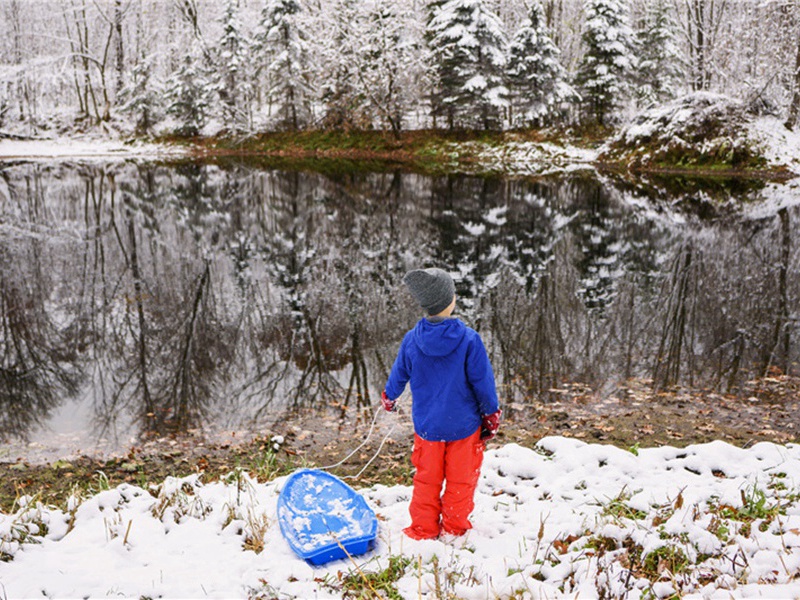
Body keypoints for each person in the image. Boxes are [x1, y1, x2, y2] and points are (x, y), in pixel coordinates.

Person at [382, 267, 501, 540]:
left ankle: (423, 529)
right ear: (451, 301)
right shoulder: (470, 339)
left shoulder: (412, 339)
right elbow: (483, 383)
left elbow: (399, 374)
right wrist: (490, 415)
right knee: (460, 480)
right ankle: (454, 527)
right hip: (464, 427)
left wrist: (390, 397)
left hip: (428, 427)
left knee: (427, 480)